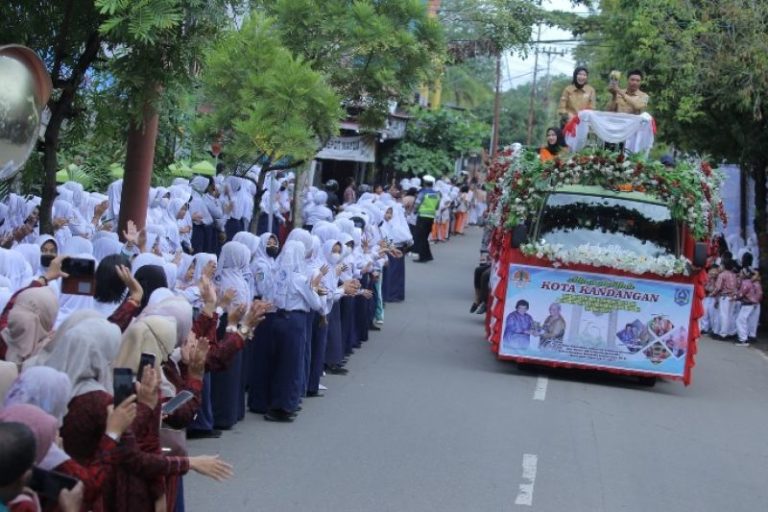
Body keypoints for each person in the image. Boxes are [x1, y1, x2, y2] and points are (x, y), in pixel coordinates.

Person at [412, 175, 441, 263]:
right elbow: (437, 206)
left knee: (420, 237)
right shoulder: (437, 194)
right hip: (431, 217)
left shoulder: (423, 193)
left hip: (422, 216)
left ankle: (423, 257)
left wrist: (415, 211)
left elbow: (417, 203)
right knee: (424, 237)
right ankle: (427, 256)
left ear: (424, 183)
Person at [735, 269, 762, 346]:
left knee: (740, 320)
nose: (739, 274)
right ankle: (745, 338)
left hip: (748, 304)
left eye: (741, 273)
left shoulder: (746, 283)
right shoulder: (752, 283)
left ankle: (743, 339)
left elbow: (741, 294)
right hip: (752, 304)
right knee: (745, 321)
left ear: (745, 274)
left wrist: (734, 297)